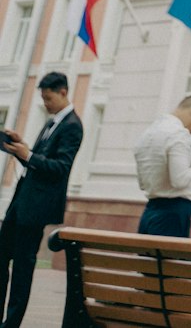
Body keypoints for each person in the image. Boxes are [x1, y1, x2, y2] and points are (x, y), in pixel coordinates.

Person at [0, 71, 83, 328]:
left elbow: (60, 168)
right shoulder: (51, 122)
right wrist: (21, 148)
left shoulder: (72, 126)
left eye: (48, 98)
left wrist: (29, 156)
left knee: (23, 269)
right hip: (20, 203)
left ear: (63, 92)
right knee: (2, 258)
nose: (45, 104)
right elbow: (38, 159)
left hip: (35, 209)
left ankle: (11, 323)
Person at [133, 94, 191, 237]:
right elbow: (179, 180)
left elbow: (143, 184)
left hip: (150, 211)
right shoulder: (178, 134)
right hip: (173, 215)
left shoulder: (148, 133)